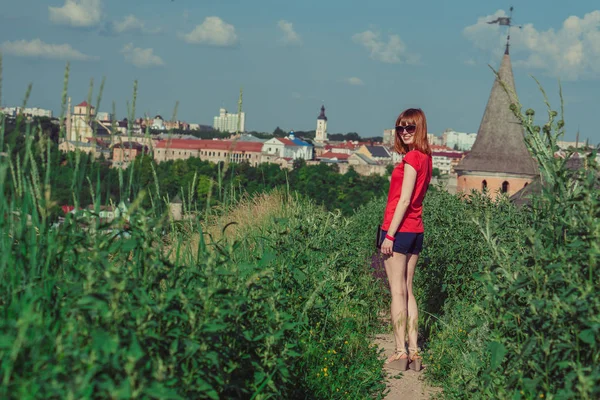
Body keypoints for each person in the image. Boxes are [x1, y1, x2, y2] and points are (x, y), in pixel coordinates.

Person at [379, 108, 432, 371]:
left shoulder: (412, 158)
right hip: (415, 230)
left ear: (420, 128)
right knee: (409, 289)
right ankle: (414, 351)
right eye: (400, 128)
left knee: (398, 291)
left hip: (398, 230)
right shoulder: (426, 158)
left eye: (410, 127)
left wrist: (389, 234)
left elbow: (404, 200)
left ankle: (401, 352)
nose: (404, 132)